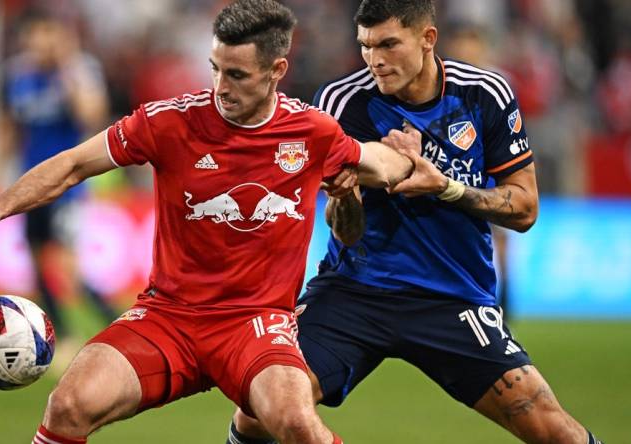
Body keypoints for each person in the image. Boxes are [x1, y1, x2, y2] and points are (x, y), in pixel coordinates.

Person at [0, 1, 417, 443]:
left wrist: (392, 172)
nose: (221, 87)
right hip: (168, 317)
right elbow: (74, 164)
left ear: (277, 72)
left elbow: (374, 182)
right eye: (215, 69)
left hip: (254, 324)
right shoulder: (170, 122)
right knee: (68, 404)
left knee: (296, 422)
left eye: (236, 75)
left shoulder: (313, 133)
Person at [227, 1, 603, 443]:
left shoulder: (484, 95)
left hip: (452, 295)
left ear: (428, 39)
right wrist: (346, 196)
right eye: (366, 47)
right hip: (357, 290)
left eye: (388, 44)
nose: (375, 61)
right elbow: (344, 231)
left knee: (553, 429)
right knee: (259, 406)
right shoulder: (340, 102)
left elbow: (525, 209)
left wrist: (444, 187)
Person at [0, 10, 117, 351]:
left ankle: (119, 323)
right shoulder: (16, 74)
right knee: (36, 262)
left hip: (67, 186)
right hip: (30, 182)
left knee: (68, 269)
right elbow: (9, 126)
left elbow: (91, 116)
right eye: (35, 35)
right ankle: (62, 336)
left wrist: (67, 71)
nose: (41, 43)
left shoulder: (80, 71)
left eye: (49, 35)